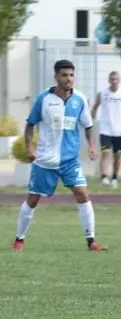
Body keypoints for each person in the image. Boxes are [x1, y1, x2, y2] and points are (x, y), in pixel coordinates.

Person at [12, 59, 106, 252]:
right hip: (46, 160)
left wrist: (91, 146)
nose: (68, 79)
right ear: (56, 77)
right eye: (64, 75)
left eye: (71, 75)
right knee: (33, 198)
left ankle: (91, 241)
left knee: (82, 193)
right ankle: (19, 238)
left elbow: (88, 126)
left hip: (69, 160)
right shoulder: (43, 99)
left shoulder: (80, 99)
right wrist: (29, 147)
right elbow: (30, 124)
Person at [91, 71, 121, 189]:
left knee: (117, 156)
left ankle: (114, 178)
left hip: (120, 130)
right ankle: (104, 177)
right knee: (105, 153)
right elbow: (95, 106)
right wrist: (90, 119)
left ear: (119, 80)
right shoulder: (103, 93)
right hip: (106, 130)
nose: (114, 81)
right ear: (109, 80)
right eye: (112, 79)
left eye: (116, 79)